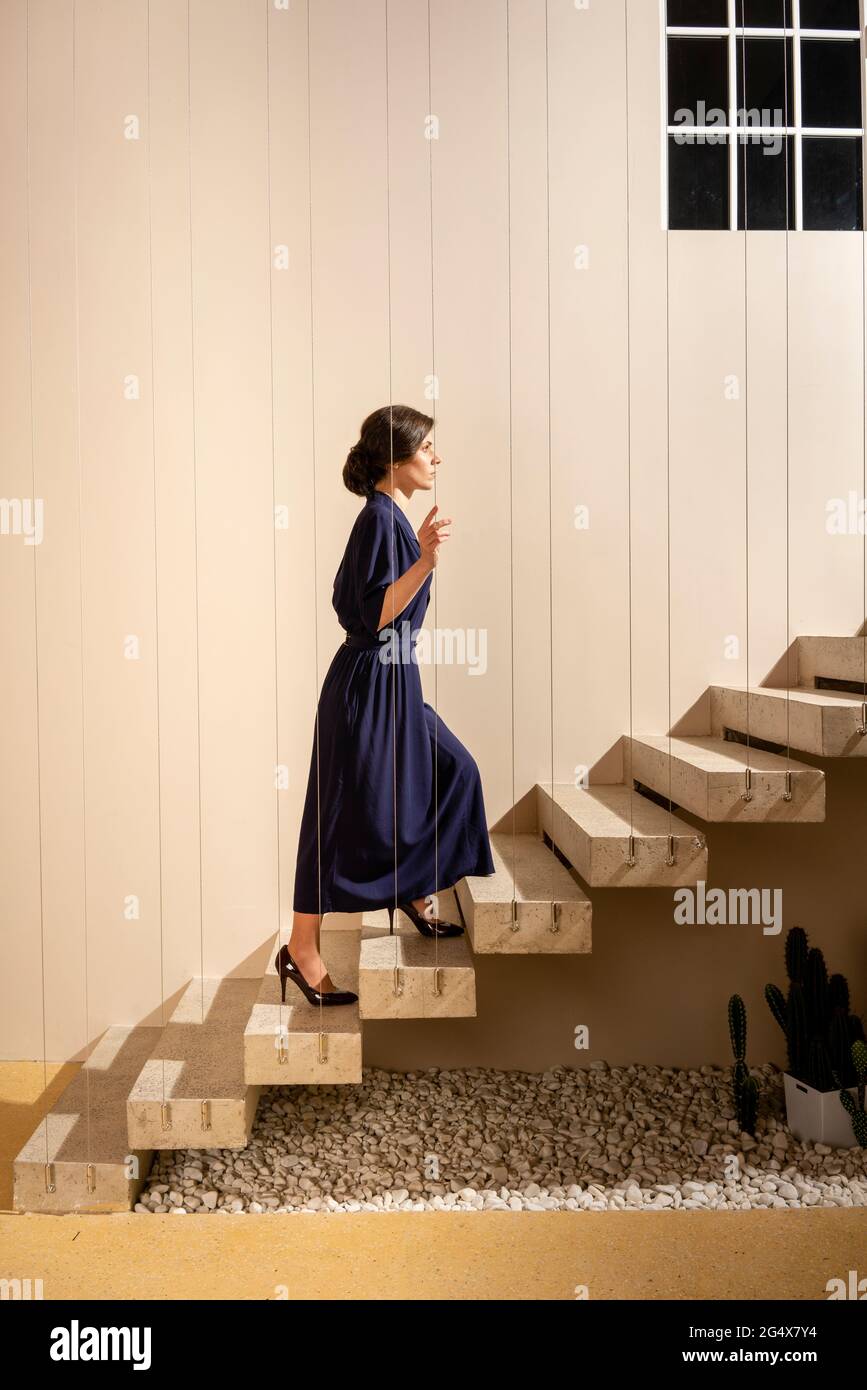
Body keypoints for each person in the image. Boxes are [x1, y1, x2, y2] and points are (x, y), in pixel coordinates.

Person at [276, 404, 496, 1006]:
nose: (436, 458)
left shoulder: (391, 516)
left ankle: (413, 890)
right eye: (426, 448)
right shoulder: (378, 518)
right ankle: (301, 948)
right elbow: (371, 615)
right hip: (368, 684)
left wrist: (420, 554)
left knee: (452, 771)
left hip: (395, 679)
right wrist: (424, 560)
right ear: (396, 460)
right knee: (336, 813)